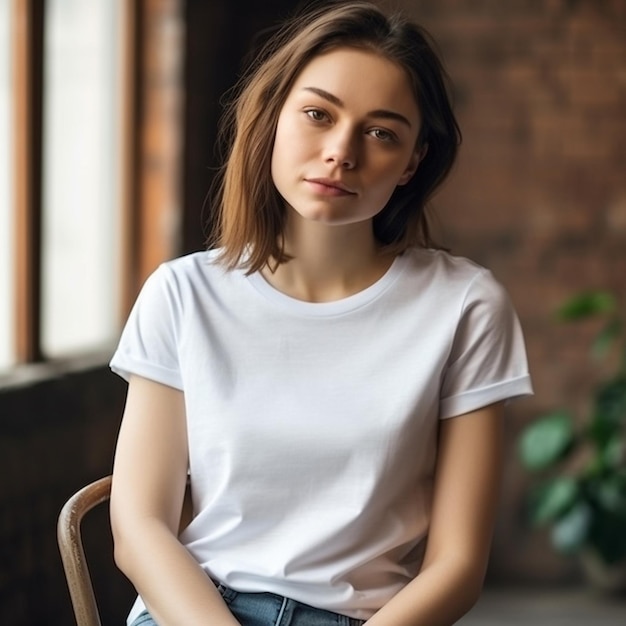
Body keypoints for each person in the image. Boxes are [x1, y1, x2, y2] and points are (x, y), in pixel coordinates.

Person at [109, 2, 533, 625]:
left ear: (414, 160)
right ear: (274, 118)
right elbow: (140, 525)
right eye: (317, 114)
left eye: (382, 132)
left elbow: (458, 565)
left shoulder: (465, 307)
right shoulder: (183, 295)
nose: (341, 152)